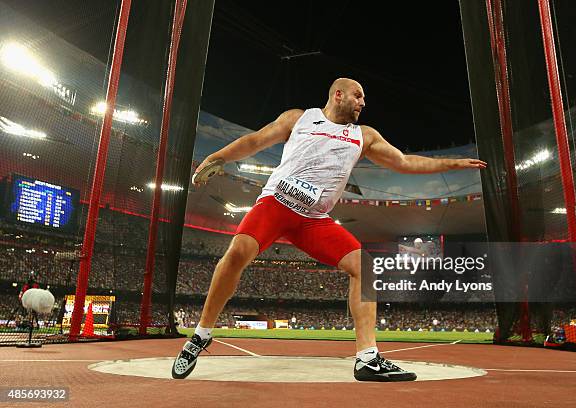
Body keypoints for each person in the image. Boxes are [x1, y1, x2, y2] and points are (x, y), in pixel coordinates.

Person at [172, 78, 486, 381]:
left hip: (314, 219)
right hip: (276, 204)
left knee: (364, 266)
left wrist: (453, 164)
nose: (364, 102)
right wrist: (218, 157)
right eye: (358, 95)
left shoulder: (366, 136)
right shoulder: (299, 118)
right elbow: (255, 141)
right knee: (238, 251)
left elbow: (404, 162)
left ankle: (367, 358)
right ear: (338, 95)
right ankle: (201, 335)